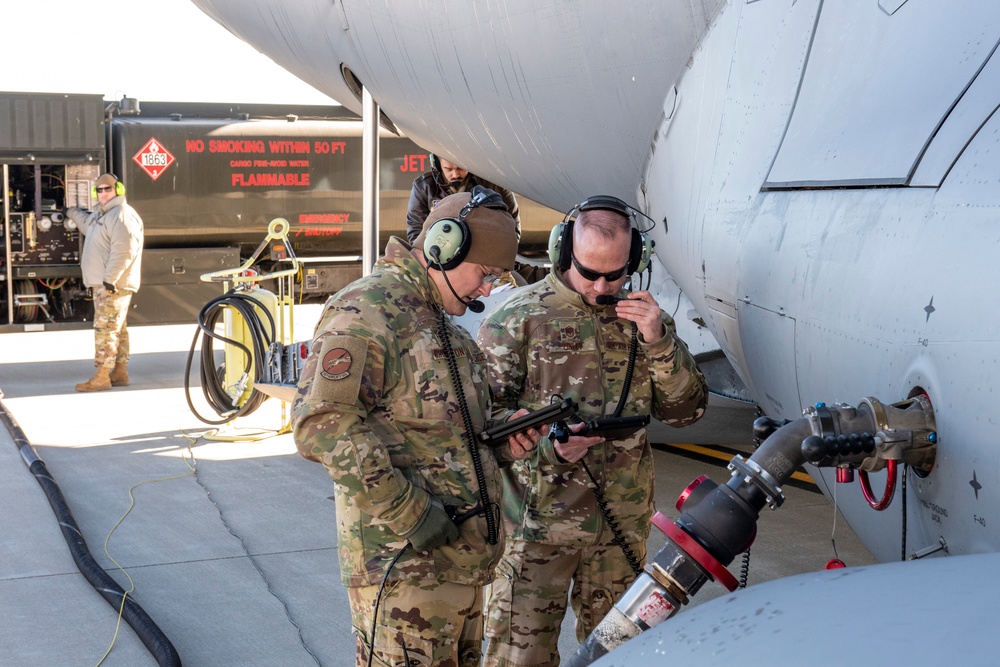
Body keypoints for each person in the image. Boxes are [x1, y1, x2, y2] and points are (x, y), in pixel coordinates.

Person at [292, 187, 542, 667]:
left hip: (457, 565)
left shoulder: (440, 324)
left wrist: (504, 438)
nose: (488, 291)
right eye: (485, 274)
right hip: (404, 567)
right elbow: (323, 424)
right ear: (442, 247)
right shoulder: (368, 310)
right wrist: (412, 514)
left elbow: (445, 434)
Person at [477, 196, 709, 666]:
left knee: (625, 657)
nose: (603, 286)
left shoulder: (644, 322)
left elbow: (686, 413)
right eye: (589, 273)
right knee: (518, 659)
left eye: (615, 274)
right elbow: (481, 431)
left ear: (636, 261)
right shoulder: (516, 317)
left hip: (618, 529)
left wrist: (659, 341)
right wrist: (549, 449)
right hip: (535, 530)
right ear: (563, 255)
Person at [66, 173, 144, 392]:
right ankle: (119, 372)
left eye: (107, 189)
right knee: (117, 328)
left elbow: (124, 251)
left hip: (112, 285)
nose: (103, 193)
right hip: (107, 283)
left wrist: (110, 280)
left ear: (118, 190)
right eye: (99, 190)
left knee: (105, 329)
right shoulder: (103, 215)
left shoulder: (122, 215)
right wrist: (70, 212)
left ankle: (101, 376)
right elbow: (86, 224)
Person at [405, 153, 520, 245]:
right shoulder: (424, 186)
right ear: (438, 165)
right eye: (448, 169)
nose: (455, 175)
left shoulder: (493, 184)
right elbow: (416, 227)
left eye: (460, 168)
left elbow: (512, 224)